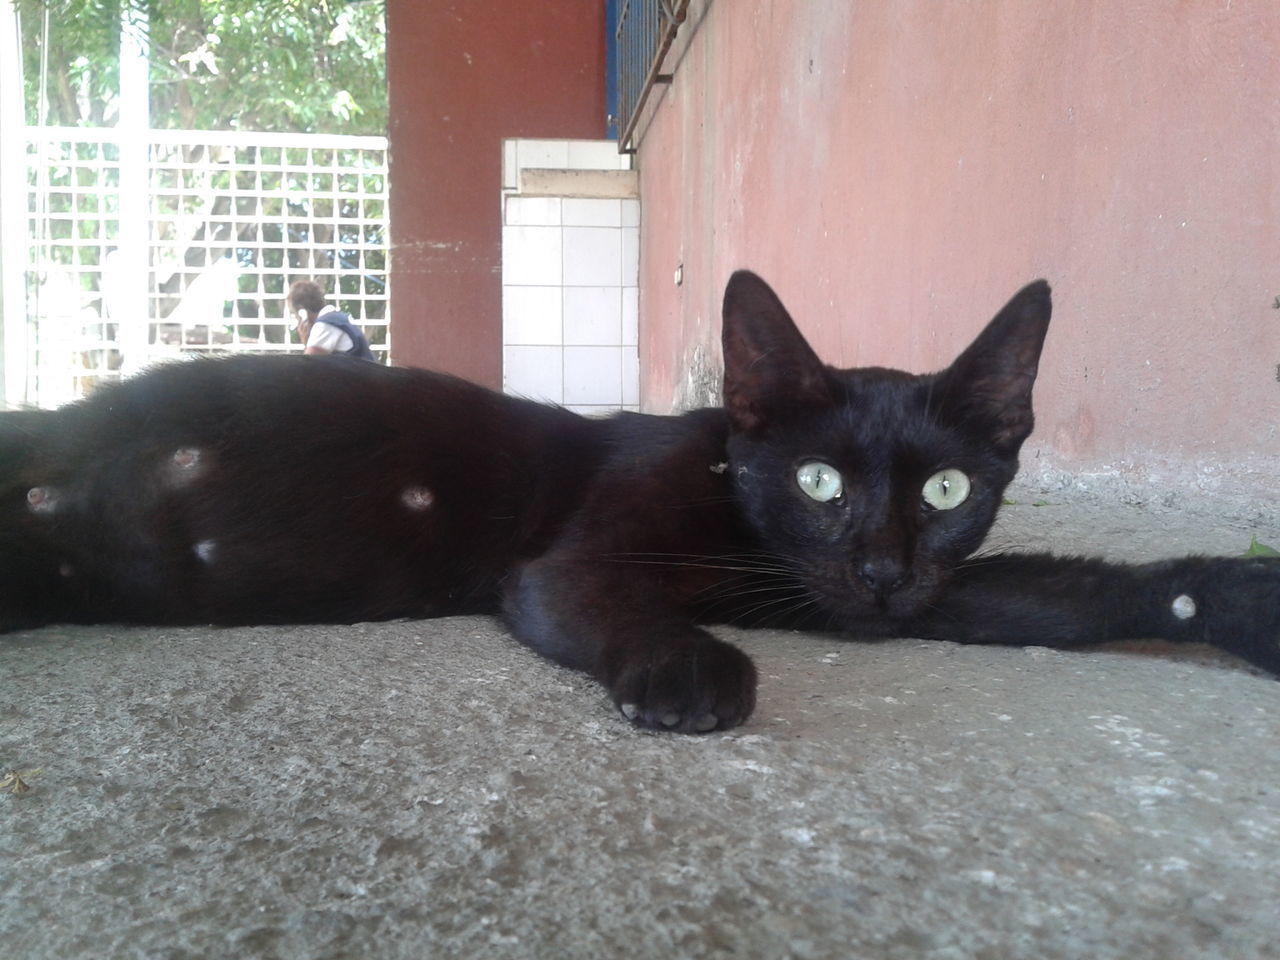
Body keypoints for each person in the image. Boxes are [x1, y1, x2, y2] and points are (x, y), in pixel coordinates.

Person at [286, 280, 376, 360]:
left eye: (295, 314)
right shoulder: (336, 319)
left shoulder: (325, 325)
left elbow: (308, 367)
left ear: (302, 313)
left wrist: (304, 339)